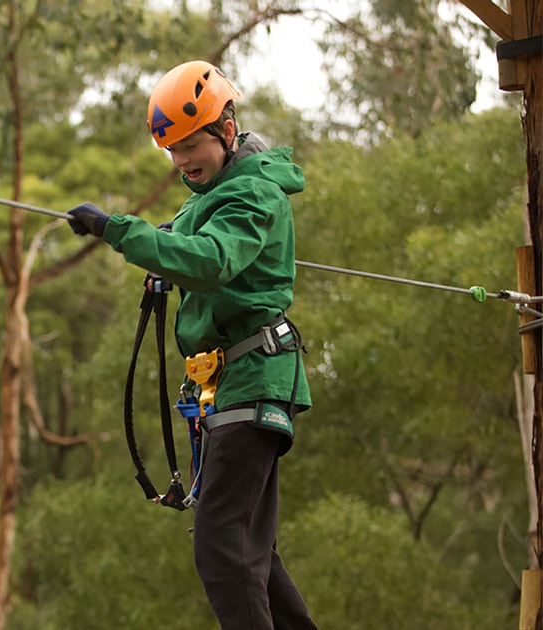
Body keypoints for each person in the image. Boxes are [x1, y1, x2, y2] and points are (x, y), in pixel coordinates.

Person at [66, 60, 317, 630]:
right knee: (252, 554)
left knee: (223, 547)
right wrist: (159, 256)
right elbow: (187, 245)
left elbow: (211, 259)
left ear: (226, 130)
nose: (181, 162)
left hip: (254, 378)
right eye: (171, 150)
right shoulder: (207, 199)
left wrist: (118, 230)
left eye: (189, 145)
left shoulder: (254, 194)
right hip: (228, 386)